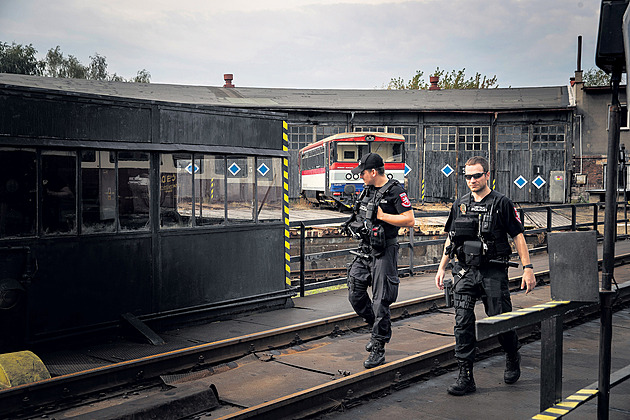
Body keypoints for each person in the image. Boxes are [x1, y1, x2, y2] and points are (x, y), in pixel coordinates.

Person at [434, 155, 536, 396]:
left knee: (500, 321)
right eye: (467, 176)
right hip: (465, 271)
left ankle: (512, 355)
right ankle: (465, 376)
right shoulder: (460, 204)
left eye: (477, 175)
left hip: (493, 271)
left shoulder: (502, 203)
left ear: (488, 175)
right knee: (462, 324)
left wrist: (528, 268)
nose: (472, 180)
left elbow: (518, 236)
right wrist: (441, 267)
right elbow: (452, 237)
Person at [343, 153, 415, 369]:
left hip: (384, 250)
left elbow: (410, 219)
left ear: (373, 172)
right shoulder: (368, 190)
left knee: (380, 300)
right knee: (355, 293)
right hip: (365, 249)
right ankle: (377, 327)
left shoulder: (395, 191)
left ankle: (378, 347)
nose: (360, 177)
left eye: (363, 173)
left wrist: (383, 217)